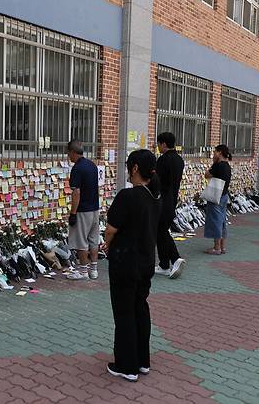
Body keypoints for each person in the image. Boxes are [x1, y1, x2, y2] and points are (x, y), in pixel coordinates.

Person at [102, 149, 161, 382]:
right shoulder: (155, 197)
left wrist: (106, 245)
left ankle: (126, 366)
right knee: (140, 308)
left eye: (129, 165)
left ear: (135, 168)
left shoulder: (128, 196)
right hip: (146, 262)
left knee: (124, 313)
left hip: (125, 262)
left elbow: (111, 229)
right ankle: (142, 361)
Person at [66, 140, 100, 280]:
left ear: (73, 152)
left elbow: (76, 193)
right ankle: (94, 270)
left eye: (69, 153)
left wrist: (73, 213)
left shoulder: (77, 168)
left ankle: (83, 271)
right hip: (94, 209)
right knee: (93, 239)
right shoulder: (92, 165)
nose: (68, 156)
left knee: (81, 241)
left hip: (82, 210)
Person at [154, 132, 186, 279]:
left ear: (164, 144)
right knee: (161, 231)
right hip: (172, 199)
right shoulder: (179, 160)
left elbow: (156, 182)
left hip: (162, 200)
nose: (158, 147)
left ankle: (175, 258)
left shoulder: (163, 160)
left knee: (161, 231)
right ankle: (164, 264)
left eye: (159, 144)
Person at [203, 145, 231, 255]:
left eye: (215, 152)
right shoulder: (227, 166)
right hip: (224, 196)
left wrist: (214, 162)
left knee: (215, 220)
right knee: (222, 220)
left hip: (216, 196)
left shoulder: (218, 165)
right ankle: (222, 247)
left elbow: (206, 175)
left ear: (219, 153)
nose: (213, 154)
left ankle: (216, 247)